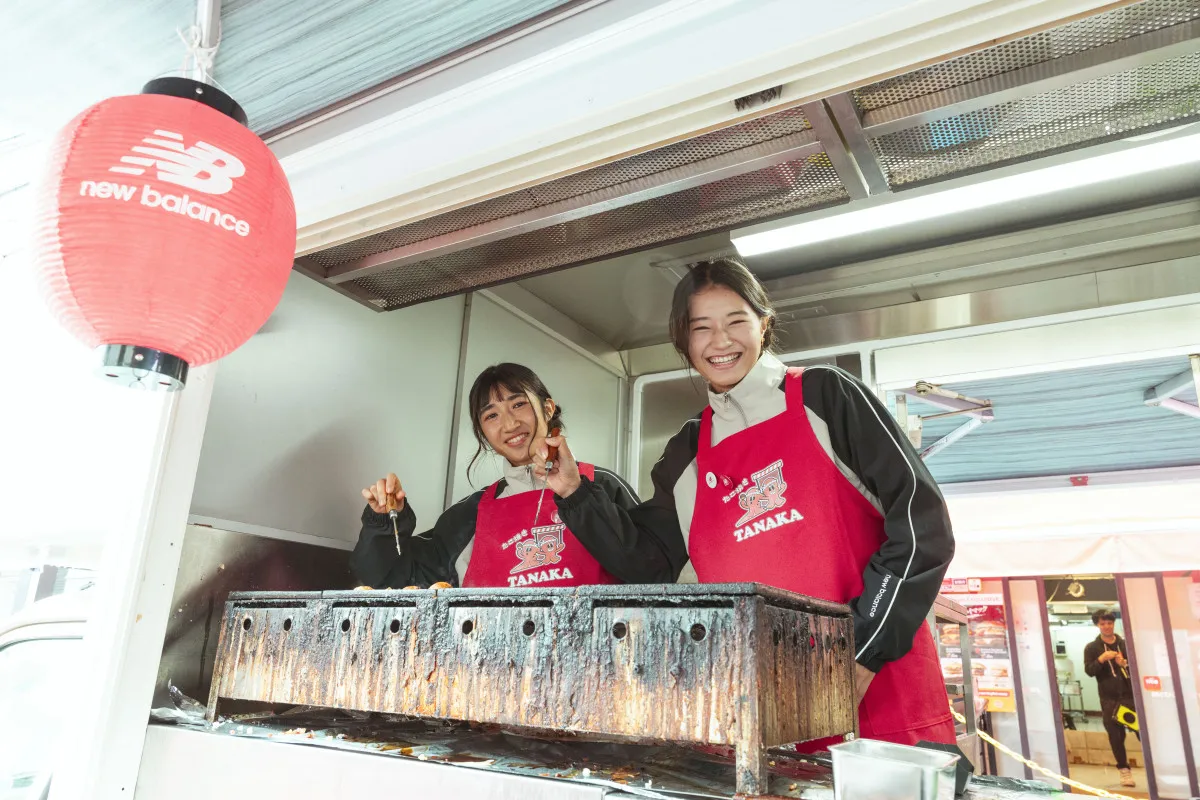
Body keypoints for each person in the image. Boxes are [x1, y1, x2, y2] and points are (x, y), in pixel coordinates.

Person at [548, 258, 957, 746]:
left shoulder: (827, 397)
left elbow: (922, 526)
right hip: (757, 716)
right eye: (702, 328)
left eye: (736, 321)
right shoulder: (687, 452)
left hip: (877, 702)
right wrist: (574, 492)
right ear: (684, 342)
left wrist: (862, 653)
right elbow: (648, 562)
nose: (720, 342)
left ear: (764, 323)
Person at [351, 363, 650, 589]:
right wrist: (385, 521)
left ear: (547, 408)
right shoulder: (468, 515)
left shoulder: (602, 486)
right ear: (483, 433)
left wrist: (576, 494)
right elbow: (395, 581)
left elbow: (650, 568)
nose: (509, 425)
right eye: (491, 415)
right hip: (488, 668)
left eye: (518, 404)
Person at [1083, 608, 1138, 788]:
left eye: (1109, 623)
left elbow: (1138, 667)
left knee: (1143, 733)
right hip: (1109, 700)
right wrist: (1100, 659)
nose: (1107, 627)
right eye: (1102, 624)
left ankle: (1155, 766)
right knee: (1116, 736)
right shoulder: (1092, 647)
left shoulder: (1125, 644)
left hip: (1130, 696)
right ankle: (1124, 772)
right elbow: (1089, 671)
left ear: (1114, 623)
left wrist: (1125, 664)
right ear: (1097, 625)